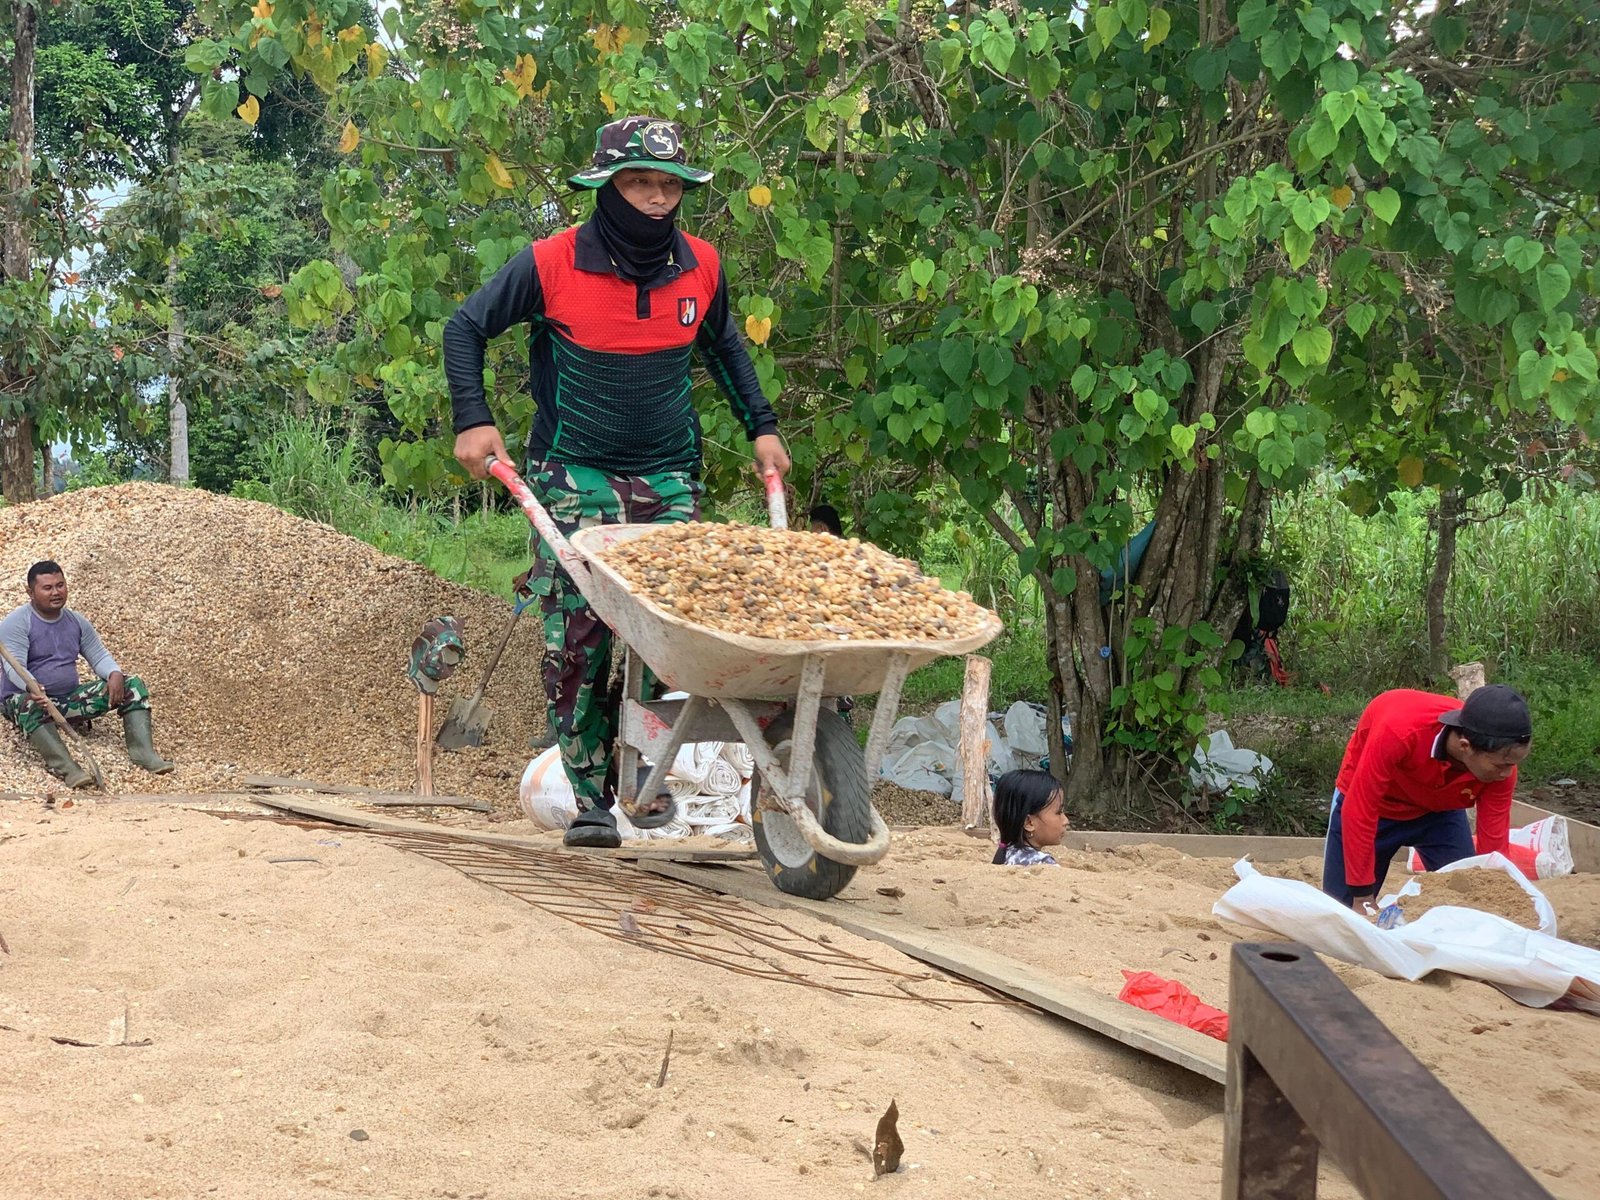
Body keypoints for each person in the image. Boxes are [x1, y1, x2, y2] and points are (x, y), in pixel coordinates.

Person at [444, 115, 791, 849]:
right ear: (606, 186)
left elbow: (725, 347)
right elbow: (465, 328)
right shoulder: (551, 263)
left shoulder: (702, 265)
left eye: (670, 184)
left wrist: (761, 425)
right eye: (639, 182)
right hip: (574, 475)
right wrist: (473, 418)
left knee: (672, 633)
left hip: (669, 476)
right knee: (579, 637)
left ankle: (645, 773)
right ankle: (589, 797)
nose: (657, 197)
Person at [1321, 684, 1532, 909]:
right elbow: (1360, 809)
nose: (1507, 773)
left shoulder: (1500, 769)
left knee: (1469, 893)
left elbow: (1493, 850)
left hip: (1439, 812)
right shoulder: (1398, 732)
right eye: (1502, 765)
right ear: (1465, 746)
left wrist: (1495, 903)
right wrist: (1363, 896)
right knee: (1341, 911)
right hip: (1377, 805)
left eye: (1513, 764)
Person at [1, 560, 174, 787]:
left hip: (67, 700)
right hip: (30, 700)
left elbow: (99, 655)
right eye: (47, 588)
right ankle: (66, 768)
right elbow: (15, 668)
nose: (56, 592)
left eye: (60, 585)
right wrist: (32, 686)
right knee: (27, 702)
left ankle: (143, 754)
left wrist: (114, 673)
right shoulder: (17, 623)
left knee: (132, 684)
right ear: (30, 592)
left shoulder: (76, 621)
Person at [991, 769, 1069, 866]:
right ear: (1029, 823)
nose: (1066, 821)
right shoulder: (1043, 863)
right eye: (1058, 812)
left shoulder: (1005, 853)